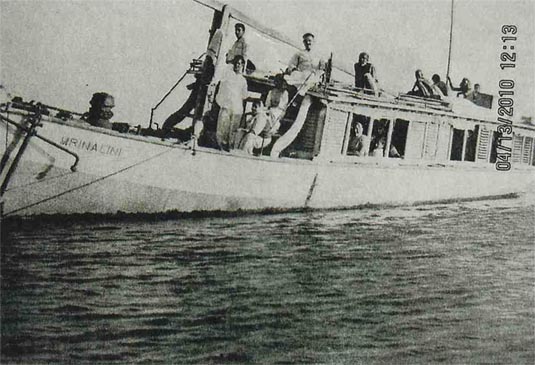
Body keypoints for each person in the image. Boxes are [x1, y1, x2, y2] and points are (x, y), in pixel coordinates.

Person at [161, 29, 223, 138]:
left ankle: (171, 127)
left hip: (202, 90)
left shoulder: (212, 63)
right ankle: (168, 126)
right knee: (189, 111)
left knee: (189, 111)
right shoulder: (211, 63)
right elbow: (207, 78)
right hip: (201, 91)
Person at [214, 55, 248, 150]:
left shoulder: (243, 80)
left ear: (243, 66)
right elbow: (221, 89)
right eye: (237, 63)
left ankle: (230, 148)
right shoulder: (228, 75)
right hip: (226, 106)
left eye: (241, 64)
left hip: (236, 108)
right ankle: (221, 146)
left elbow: (244, 95)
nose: (238, 65)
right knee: (222, 128)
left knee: (233, 130)